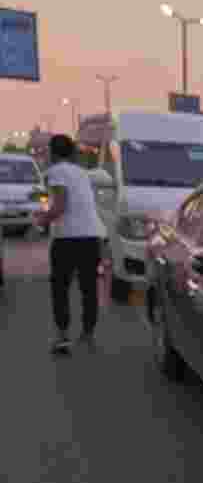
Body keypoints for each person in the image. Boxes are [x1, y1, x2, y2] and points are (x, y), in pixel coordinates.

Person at [33, 135, 107, 354]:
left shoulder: (57, 171)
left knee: (60, 287)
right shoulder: (81, 172)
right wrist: (47, 209)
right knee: (89, 287)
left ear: (54, 152)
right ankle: (88, 335)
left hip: (67, 238)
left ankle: (63, 337)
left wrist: (40, 221)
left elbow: (60, 206)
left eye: (47, 151)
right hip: (91, 237)